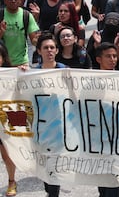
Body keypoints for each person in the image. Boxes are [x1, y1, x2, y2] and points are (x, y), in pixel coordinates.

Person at [35, 32, 66, 197]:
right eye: (45, 48)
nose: (49, 50)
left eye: (52, 47)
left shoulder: (65, 71)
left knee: (55, 168)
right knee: (44, 166)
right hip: (39, 128)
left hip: (59, 128)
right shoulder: (31, 73)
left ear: (57, 50)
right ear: (39, 51)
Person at [94, 42, 119, 196]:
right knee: (102, 183)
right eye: (108, 56)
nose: (112, 60)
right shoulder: (88, 80)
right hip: (96, 139)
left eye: (115, 56)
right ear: (98, 59)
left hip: (117, 140)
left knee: (113, 182)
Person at [0, 0, 39, 67]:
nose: (13, 1)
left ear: (21, 0)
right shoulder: (0, 15)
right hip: (3, 63)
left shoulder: (27, 15)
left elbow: (34, 40)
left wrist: (40, 39)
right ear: (4, 0)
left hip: (22, 63)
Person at [0, 44, 17, 196]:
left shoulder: (13, 74)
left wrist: (24, 73)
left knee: (7, 156)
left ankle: (11, 181)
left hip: (5, 121)